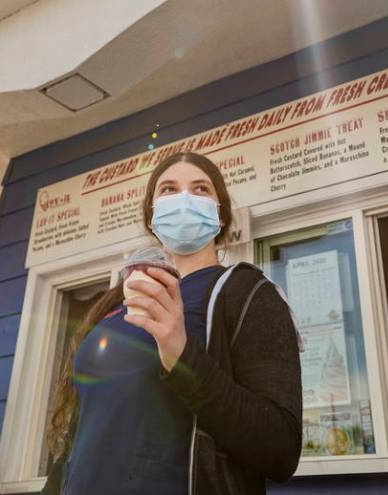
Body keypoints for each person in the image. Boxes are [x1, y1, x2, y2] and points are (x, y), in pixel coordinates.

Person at [43, 151, 302, 494]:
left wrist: (182, 357)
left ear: (220, 215)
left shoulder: (247, 293)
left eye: (200, 189)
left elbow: (280, 450)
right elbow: (81, 436)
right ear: (151, 217)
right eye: (168, 189)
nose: (183, 198)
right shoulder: (116, 303)